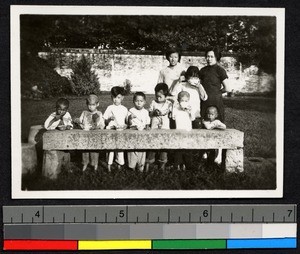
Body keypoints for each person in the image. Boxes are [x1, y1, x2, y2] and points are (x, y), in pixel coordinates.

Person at [74, 94, 105, 171]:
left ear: (97, 104)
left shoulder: (99, 114)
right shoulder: (84, 113)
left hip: (95, 134)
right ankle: (85, 163)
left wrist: (98, 127)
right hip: (86, 134)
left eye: (93, 105)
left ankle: (95, 164)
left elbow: (102, 124)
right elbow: (80, 120)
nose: (91, 107)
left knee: (94, 149)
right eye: (89, 105)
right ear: (87, 104)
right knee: (85, 149)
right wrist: (77, 121)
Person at [145, 83, 173, 171]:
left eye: (160, 97)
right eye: (157, 96)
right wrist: (153, 112)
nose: (158, 98)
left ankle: (162, 163)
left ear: (166, 96)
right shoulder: (153, 103)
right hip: (154, 127)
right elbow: (149, 113)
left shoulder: (169, 104)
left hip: (165, 128)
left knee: (163, 146)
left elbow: (171, 113)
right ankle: (149, 162)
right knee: (152, 145)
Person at [199, 47, 230, 122]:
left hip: (216, 101)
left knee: (217, 121)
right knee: (204, 122)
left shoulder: (220, 70)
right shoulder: (202, 71)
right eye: (207, 56)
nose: (209, 59)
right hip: (204, 100)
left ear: (216, 57)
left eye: (211, 57)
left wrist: (217, 92)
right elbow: (199, 85)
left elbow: (227, 88)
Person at [103, 86, 128, 171]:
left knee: (120, 148)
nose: (116, 100)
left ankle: (119, 164)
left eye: (118, 97)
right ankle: (109, 164)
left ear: (122, 98)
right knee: (111, 149)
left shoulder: (124, 109)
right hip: (111, 130)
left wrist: (125, 125)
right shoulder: (110, 108)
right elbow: (105, 121)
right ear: (111, 97)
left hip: (120, 130)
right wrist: (109, 119)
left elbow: (127, 122)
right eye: (114, 97)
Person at [127, 92, 150, 171]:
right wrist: (130, 118)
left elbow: (147, 121)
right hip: (133, 131)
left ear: (144, 102)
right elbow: (128, 123)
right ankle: (132, 165)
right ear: (133, 101)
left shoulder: (145, 112)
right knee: (133, 149)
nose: (139, 103)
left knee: (142, 149)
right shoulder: (131, 111)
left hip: (142, 132)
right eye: (137, 101)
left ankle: (140, 165)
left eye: (141, 101)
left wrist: (147, 126)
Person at [172, 91, 194, 170]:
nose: (184, 102)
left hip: (187, 130)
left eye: (186, 101)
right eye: (182, 101)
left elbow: (193, 118)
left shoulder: (190, 108)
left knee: (187, 147)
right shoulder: (176, 108)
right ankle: (177, 164)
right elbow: (173, 117)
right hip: (179, 129)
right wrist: (178, 108)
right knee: (179, 148)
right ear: (178, 101)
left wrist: (189, 112)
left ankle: (187, 164)